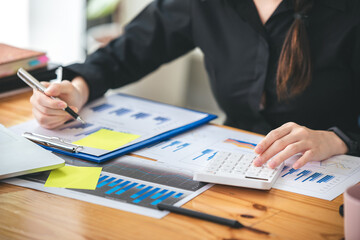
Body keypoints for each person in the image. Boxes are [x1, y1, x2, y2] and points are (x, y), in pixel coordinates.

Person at [30, 0, 360, 170]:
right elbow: (126, 52)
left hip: (335, 172)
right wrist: (78, 89)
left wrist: (337, 140)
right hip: (238, 165)